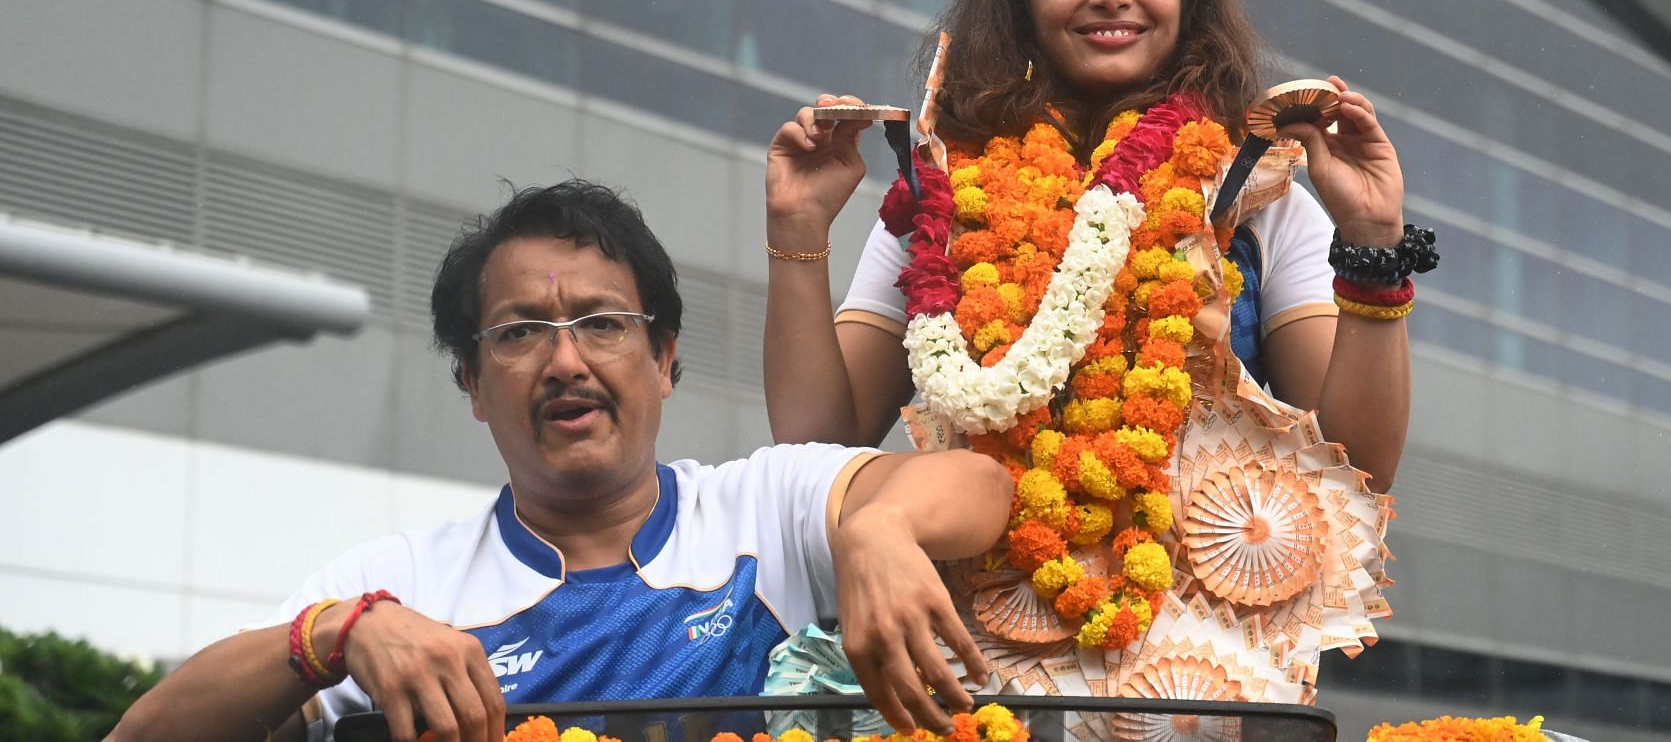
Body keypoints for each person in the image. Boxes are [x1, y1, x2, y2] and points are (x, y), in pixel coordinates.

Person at [111, 179, 1009, 742]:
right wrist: (331, 635)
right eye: (521, 334)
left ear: (664, 360)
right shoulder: (402, 583)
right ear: (470, 379)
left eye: (603, 324)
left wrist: (882, 527)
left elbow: (981, 484)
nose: (565, 361)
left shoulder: (763, 512)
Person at [763, 0, 1413, 487]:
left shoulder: (1256, 198)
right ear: (1021, 2)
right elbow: (817, 448)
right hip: (975, 588)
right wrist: (798, 229)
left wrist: (1372, 236)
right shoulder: (941, 200)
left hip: (1194, 590)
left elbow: (1358, 468)